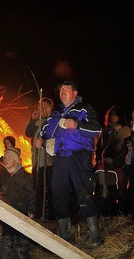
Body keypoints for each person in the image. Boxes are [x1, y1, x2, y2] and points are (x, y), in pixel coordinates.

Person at [35, 80, 103, 246]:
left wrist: (77, 124)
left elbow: (96, 128)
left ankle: (95, 236)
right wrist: (41, 140)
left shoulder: (84, 108)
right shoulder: (56, 112)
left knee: (84, 192)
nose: (62, 92)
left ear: (74, 93)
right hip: (60, 157)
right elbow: (47, 130)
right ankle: (65, 237)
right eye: (60, 90)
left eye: (66, 89)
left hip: (79, 156)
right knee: (58, 192)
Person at [0, 147, 36, 259]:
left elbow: (32, 194)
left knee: (23, 237)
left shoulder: (24, 177)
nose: (5, 159)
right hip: (6, 213)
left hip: (21, 211)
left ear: (16, 160)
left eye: (9, 157)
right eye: (5, 157)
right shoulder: (0, 176)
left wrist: (31, 210)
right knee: (7, 236)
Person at [95, 105, 131, 216]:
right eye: (112, 115)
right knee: (106, 187)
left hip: (120, 163)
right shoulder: (105, 130)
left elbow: (124, 147)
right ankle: (107, 211)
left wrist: (118, 159)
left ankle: (123, 212)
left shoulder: (125, 130)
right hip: (106, 162)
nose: (113, 117)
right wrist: (99, 159)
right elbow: (100, 146)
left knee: (121, 188)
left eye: (115, 115)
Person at [25, 97, 55, 220]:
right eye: (38, 107)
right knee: (38, 189)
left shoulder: (53, 121)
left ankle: (52, 214)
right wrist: (32, 119)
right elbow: (28, 133)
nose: (39, 109)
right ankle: (39, 213)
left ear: (48, 108)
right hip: (37, 161)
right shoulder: (37, 121)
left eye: (42, 107)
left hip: (49, 162)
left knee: (50, 189)